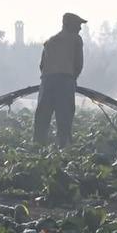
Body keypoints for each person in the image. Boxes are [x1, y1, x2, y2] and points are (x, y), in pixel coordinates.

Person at [35, 12, 85, 145]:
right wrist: (72, 80)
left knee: (42, 120)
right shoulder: (76, 39)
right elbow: (78, 65)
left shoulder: (50, 41)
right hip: (64, 82)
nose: (80, 28)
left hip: (46, 82)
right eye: (78, 25)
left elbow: (42, 65)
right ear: (69, 25)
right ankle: (63, 150)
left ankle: (38, 149)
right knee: (64, 120)